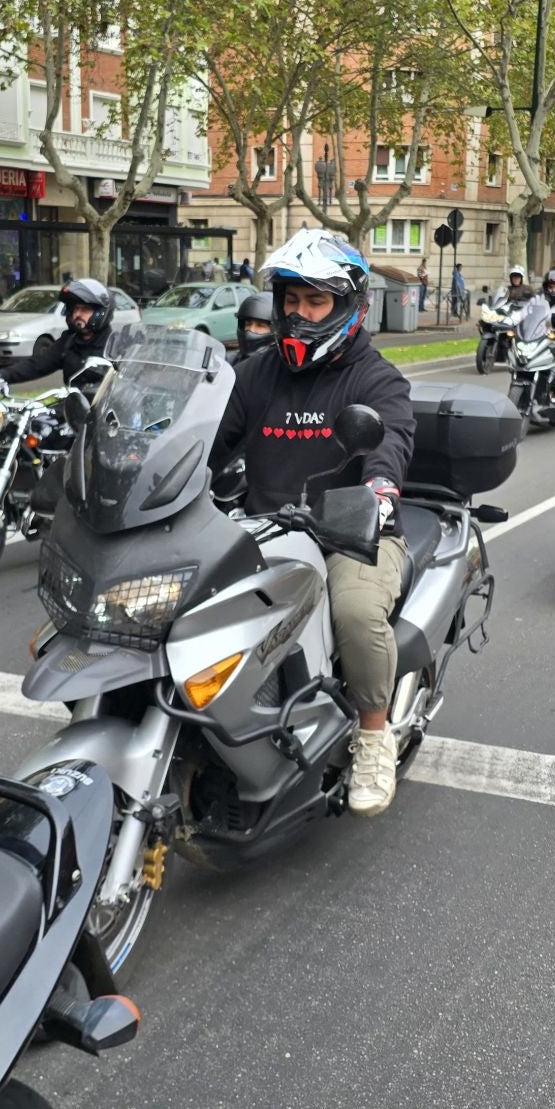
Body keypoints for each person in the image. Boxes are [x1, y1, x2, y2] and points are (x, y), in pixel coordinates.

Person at [209, 229, 415, 818]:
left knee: (352, 611)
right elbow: (209, 441)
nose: (299, 315)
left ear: (348, 305)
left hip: (351, 533)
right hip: (264, 528)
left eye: (315, 302)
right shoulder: (254, 375)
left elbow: (391, 441)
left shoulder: (375, 378)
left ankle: (373, 735)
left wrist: (377, 491)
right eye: (291, 301)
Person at [0, 278, 117, 391]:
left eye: (84, 309)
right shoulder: (69, 342)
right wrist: (2, 375)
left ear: (100, 313)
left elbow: (131, 381)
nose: (77, 314)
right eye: (75, 309)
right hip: (73, 407)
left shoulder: (116, 344)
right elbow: (37, 365)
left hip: (107, 410)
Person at [230, 289, 275, 363]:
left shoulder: (277, 368)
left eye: (260, 325)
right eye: (248, 324)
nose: (251, 330)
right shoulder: (233, 360)